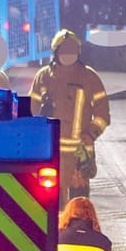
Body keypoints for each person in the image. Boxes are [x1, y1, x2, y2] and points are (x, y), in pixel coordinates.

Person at [31, 29, 111, 200]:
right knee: (49, 208)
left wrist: (90, 133)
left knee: (78, 210)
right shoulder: (43, 77)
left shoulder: (89, 77)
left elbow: (103, 114)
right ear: (56, 52)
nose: (69, 54)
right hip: (49, 155)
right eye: (64, 50)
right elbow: (31, 113)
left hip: (78, 158)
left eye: (72, 50)